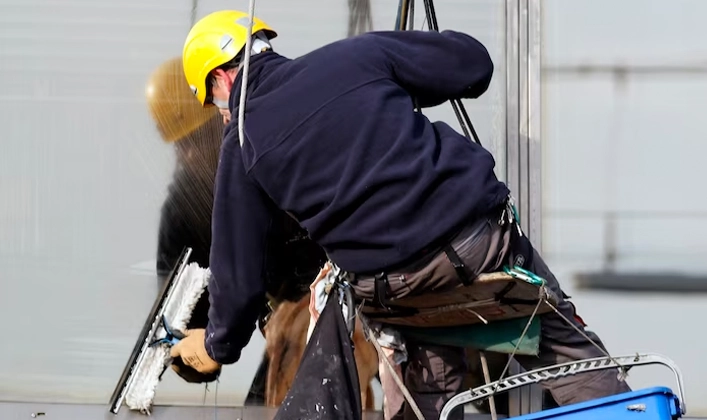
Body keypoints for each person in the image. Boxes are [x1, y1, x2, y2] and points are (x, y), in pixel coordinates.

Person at [170, 9, 632, 420]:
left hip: (393, 287)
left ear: (220, 80)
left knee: (428, 379)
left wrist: (218, 347)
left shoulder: (243, 142)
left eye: (214, 106)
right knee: (563, 352)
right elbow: (473, 63)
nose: (222, 118)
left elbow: (238, 268)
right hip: (477, 246)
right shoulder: (355, 58)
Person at [145, 55, 375, 398]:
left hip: (362, 293)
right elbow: (194, 323)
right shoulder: (184, 212)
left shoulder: (279, 154)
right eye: (182, 145)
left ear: (223, 116)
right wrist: (189, 350)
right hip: (291, 324)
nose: (191, 154)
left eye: (198, 138)